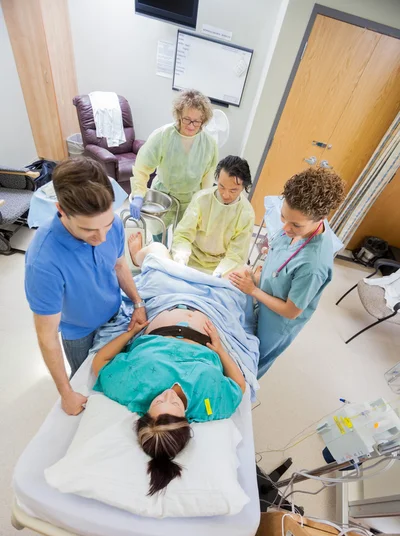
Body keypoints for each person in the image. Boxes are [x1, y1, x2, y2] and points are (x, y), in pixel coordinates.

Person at [92, 243, 246, 495]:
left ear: (145, 414)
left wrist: (131, 333)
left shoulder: (131, 391)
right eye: (173, 404)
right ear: (186, 420)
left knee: (157, 254)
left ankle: (140, 255)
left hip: (164, 302)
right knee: (237, 275)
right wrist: (220, 349)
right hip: (211, 308)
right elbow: (240, 386)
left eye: (158, 402)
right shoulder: (210, 405)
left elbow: (100, 362)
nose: (167, 395)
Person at [25, 157, 147, 416]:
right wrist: (66, 393)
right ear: (61, 210)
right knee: (89, 384)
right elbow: (47, 338)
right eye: (88, 230)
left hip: (115, 314)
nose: (101, 238)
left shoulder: (111, 223)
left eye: (105, 226)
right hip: (79, 332)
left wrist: (137, 302)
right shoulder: (44, 261)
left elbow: (119, 265)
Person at [229, 168, 345, 379]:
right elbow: (283, 251)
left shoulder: (313, 265)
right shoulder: (298, 222)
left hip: (279, 321)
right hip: (264, 294)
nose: (285, 227)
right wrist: (262, 270)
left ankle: (242, 390)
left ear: (320, 219)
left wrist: (253, 290)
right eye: (283, 217)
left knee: (255, 359)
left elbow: (291, 311)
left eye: (295, 225)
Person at [130, 89, 218, 228]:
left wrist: (204, 205)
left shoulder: (209, 144)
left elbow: (207, 179)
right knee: (158, 236)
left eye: (196, 121)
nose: (191, 125)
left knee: (181, 239)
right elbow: (142, 167)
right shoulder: (163, 136)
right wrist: (139, 193)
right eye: (187, 119)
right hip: (162, 196)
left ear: (203, 120)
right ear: (178, 115)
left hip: (190, 200)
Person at [170, 156, 255, 277]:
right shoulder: (201, 199)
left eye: (233, 190)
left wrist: (219, 274)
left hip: (221, 266)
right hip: (191, 258)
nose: (225, 194)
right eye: (221, 186)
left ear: (244, 187)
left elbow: (235, 256)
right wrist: (181, 260)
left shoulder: (246, 214)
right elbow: (183, 235)